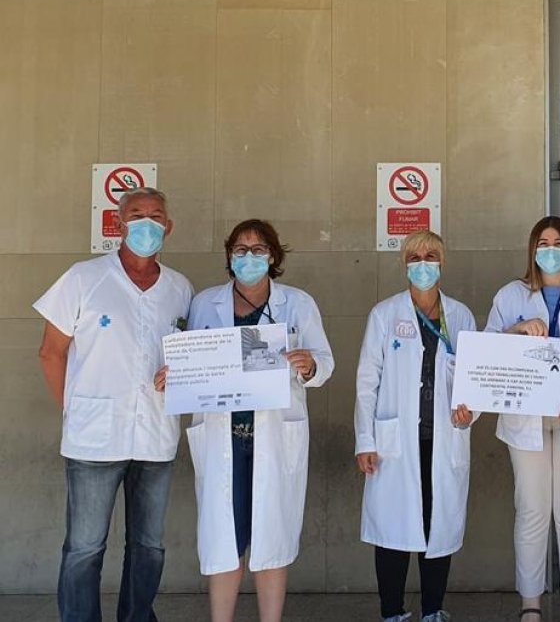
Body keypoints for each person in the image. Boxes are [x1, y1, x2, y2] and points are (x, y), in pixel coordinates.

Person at [35, 187, 193, 622]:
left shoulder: (180, 288)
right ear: (118, 225)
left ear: (169, 226)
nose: (147, 223)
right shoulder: (84, 278)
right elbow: (51, 352)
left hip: (156, 435)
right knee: (84, 547)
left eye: (156, 215)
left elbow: (188, 356)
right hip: (93, 439)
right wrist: (74, 409)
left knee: (149, 546)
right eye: (136, 215)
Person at [183, 219, 334, 622]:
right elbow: (189, 363)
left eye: (259, 248)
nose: (249, 257)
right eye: (241, 248)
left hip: (274, 435)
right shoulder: (204, 303)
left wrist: (309, 365)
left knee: (272, 538)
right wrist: (173, 375)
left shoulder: (298, 303)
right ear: (229, 256)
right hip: (222, 437)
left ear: (274, 256)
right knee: (223, 541)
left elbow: (326, 363)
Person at [485, 217, 560, 622]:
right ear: (532, 249)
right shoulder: (511, 295)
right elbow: (486, 355)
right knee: (532, 510)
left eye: (557, 242)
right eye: (542, 242)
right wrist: (518, 329)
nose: (550, 249)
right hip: (526, 420)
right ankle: (531, 604)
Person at [355, 230, 477, 622]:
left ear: (443, 261)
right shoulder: (384, 314)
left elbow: (473, 380)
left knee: (435, 526)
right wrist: (364, 439)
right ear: (404, 262)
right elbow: (366, 382)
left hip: (442, 438)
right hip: (394, 440)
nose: (423, 262)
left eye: (431, 255)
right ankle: (392, 611)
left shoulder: (459, 315)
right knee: (393, 527)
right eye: (415, 256)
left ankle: (432, 611)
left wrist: (469, 411)